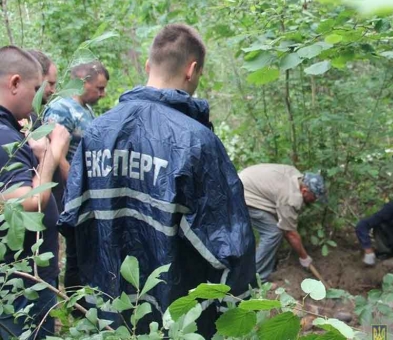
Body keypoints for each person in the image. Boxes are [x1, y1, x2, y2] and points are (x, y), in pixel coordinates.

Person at [57, 24, 256, 338]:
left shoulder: (96, 133)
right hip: (177, 325)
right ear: (192, 70)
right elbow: (230, 247)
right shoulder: (198, 142)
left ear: (148, 66)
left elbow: (73, 223)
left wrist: (77, 306)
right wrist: (236, 323)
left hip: (105, 319)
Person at [0, 45, 70, 339]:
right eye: (36, 88)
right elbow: (26, 202)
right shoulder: (4, 135)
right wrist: (51, 155)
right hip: (20, 285)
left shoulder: (10, 130)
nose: (39, 97)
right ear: (15, 83)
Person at [42, 59, 108, 302]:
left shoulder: (85, 110)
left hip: (85, 192)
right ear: (82, 83)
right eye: (99, 88)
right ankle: (74, 305)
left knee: (84, 248)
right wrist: (74, 182)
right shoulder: (61, 109)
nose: (102, 93)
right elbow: (54, 150)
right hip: (69, 192)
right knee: (75, 251)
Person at [238, 163, 327, 282]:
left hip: (242, 183)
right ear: (305, 191)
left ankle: (264, 265)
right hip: (244, 194)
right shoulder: (291, 198)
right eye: (315, 197)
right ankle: (256, 279)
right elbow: (290, 233)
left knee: (276, 228)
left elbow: (283, 220)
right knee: (273, 233)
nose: (315, 201)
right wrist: (304, 257)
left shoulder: (295, 174)